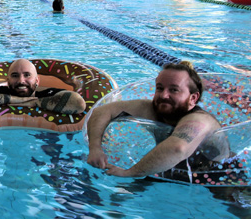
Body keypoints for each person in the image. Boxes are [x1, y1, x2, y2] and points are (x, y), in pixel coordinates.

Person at [86, 61, 230, 178]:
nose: (163, 95)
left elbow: (177, 148)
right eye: (160, 88)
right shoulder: (155, 108)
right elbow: (102, 111)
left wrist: (129, 172)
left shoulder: (200, 120)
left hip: (220, 178)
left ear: (193, 98)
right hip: (170, 169)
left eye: (174, 90)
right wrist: (95, 148)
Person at [0, 59, 86, 114]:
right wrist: (16, 100)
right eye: (15, 75)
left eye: (27, 75)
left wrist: (35, 102)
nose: (21, 81)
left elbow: (79, 104)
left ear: (37, 80)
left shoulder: (49, 93)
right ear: (8, 81)